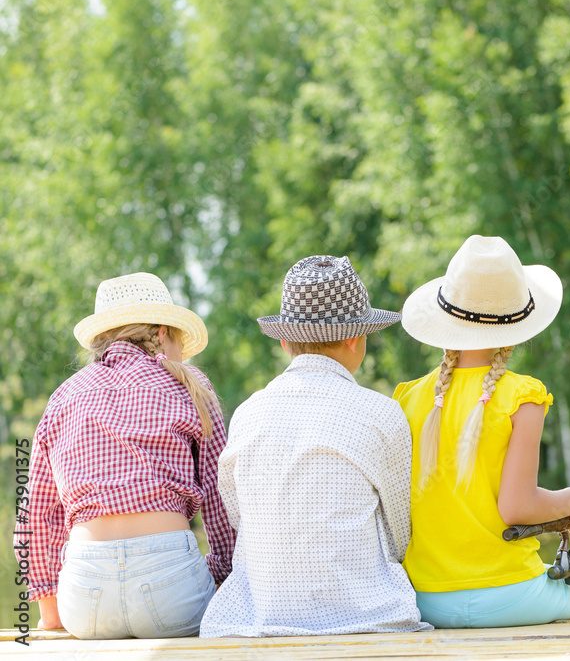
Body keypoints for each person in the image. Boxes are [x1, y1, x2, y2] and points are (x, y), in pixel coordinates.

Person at [199, 255, 430, 637]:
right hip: (366, 615)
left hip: (259, 614)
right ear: (357, 337)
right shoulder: (382, 413)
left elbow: (240, 518)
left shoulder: (247, 413)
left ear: (286, 341)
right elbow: (399, 534)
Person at [393, 234, 570, 628]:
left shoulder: (409, 398)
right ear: (521, 321)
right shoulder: (523, 396)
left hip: (424, 599)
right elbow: (517, 508)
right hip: (510, 596)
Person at [15, 272, 236, 639]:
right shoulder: (188, 383)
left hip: (85, 598)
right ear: (163, 333)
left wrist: (50, 610)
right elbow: (220, 498)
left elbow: (36, 513)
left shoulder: (65, 395)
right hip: (170, 585)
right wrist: (223, 579)